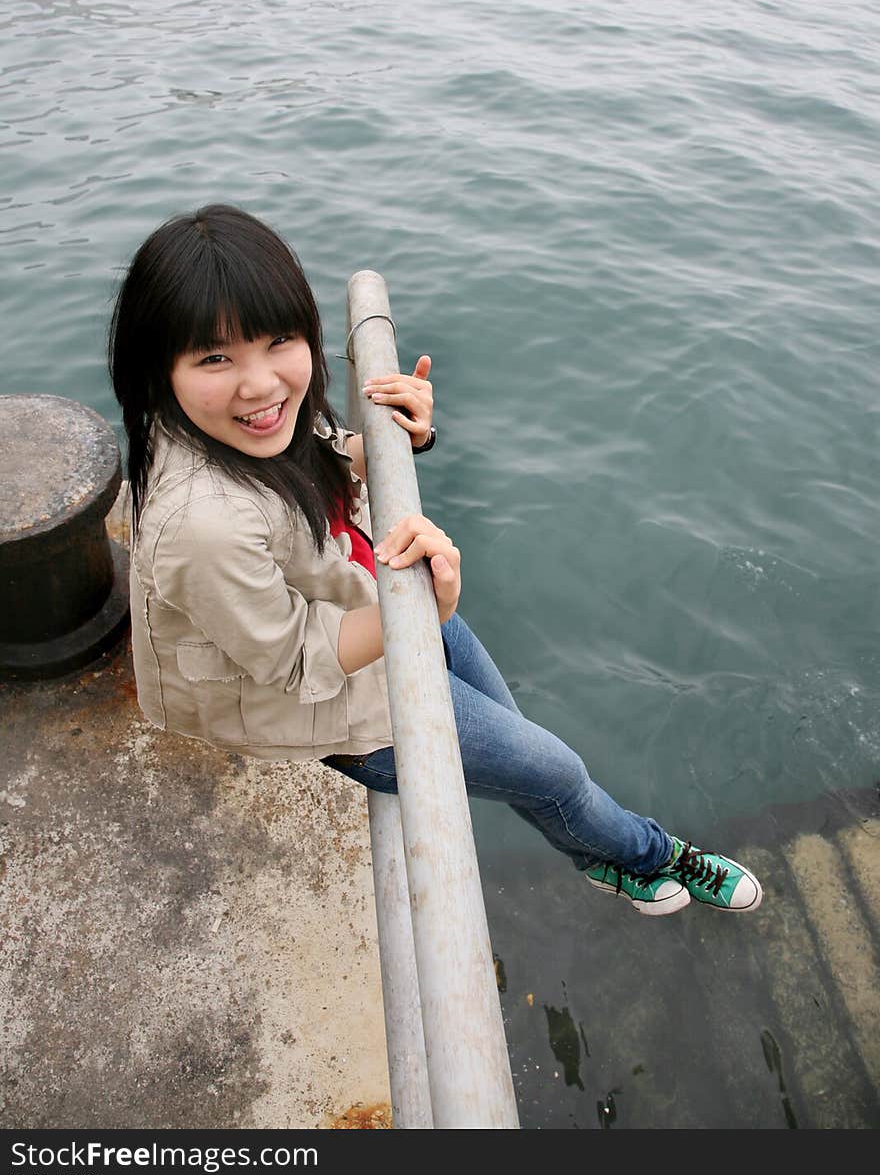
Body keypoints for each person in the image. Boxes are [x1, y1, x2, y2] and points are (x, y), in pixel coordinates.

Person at [108, 203, 762, 917]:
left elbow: (317, 459)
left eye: (280, 340)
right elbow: (295, 663)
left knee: (530, 759)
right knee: (554, 770)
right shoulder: (202, 523)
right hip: (324, 677)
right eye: (214, 357)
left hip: (374, 592)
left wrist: (395, 441)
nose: (261, 384)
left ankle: (595, 845)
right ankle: (644, 858)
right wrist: (419, 609)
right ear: (157, 365)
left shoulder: (239, 423)